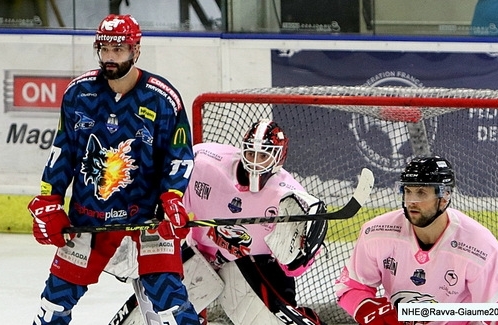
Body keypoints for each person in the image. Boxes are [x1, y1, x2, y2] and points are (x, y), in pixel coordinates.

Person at [27, 14, 200, 325]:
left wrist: (172, 197)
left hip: (147, 218)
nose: (109, 57)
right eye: (104, 49)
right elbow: (63, 151)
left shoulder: (162, 100)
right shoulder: (78, 94)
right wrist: (48, 199)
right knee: (53, 305)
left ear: (136, 50)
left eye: (118, 50)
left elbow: (180, 155)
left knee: (170, 306)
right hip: (89, 216)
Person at [335, 156, 498, 325]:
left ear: (444, 197)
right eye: (407, 191)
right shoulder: (377, 232)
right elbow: (350, 287)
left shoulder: (478, 246)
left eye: (421, 192)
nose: (411, 201)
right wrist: (369, 310)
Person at [181, 119, 329, 325]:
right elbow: (172, 196)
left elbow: (291, 267)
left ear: (278, 158)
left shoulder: (289, 198)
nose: (255, 162)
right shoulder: (203, 161)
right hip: (201, 255)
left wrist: (303, 256)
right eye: (251, 154)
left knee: (268, 320)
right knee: (154, 312)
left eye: (264, 156)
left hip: (252, 263)